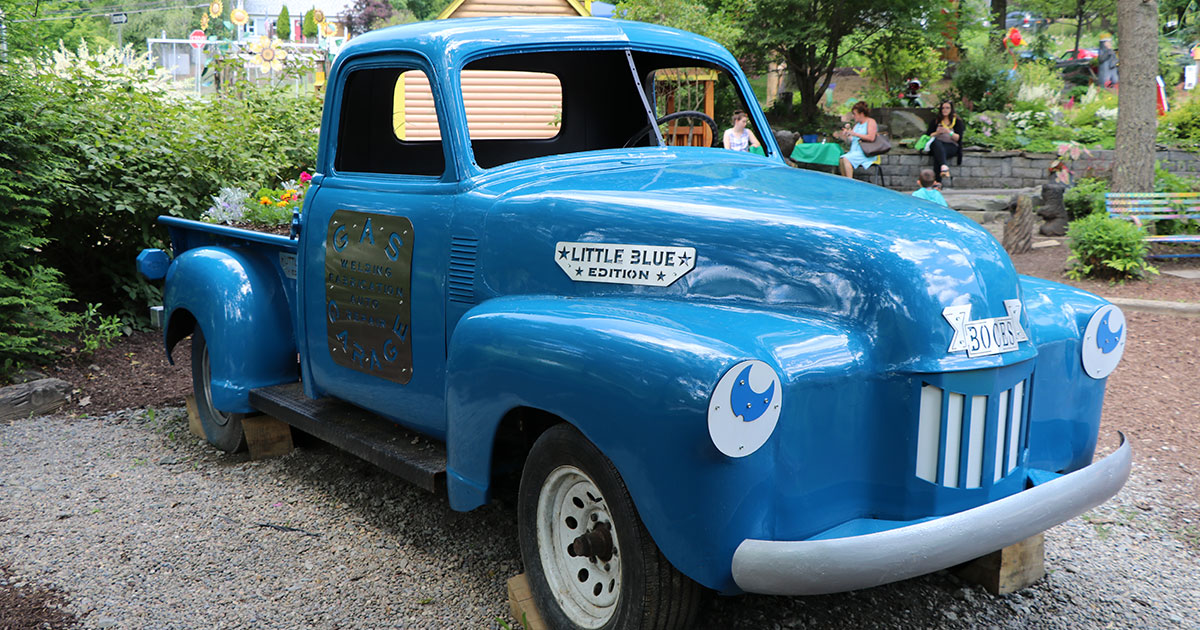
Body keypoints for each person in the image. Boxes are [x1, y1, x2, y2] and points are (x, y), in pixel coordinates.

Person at [926, 100, 965, 184]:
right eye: (943, 108)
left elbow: (958, 138)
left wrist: (948, 132)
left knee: (938, 155)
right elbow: (928, 135)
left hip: (951, 146)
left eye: (947, 108)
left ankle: (937, 183)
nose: (945, 110)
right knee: (937, 144)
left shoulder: (957, 121)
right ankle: (943, 167)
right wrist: (938, 132)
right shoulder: (935, 121)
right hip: (937, 144)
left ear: (951, 109)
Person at [838, 101, 878, 178]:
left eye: (855, 114)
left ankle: (850, 182)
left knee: (846, 158)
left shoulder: (871, 122)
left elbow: (871, 137)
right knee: (841, 159)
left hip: (865, 153)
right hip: (854, 152)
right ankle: (844, 180)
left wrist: (855, 134)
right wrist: (847, 135)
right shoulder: (857, 125)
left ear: (861, 114)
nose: (853, 116)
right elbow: (852, 140)